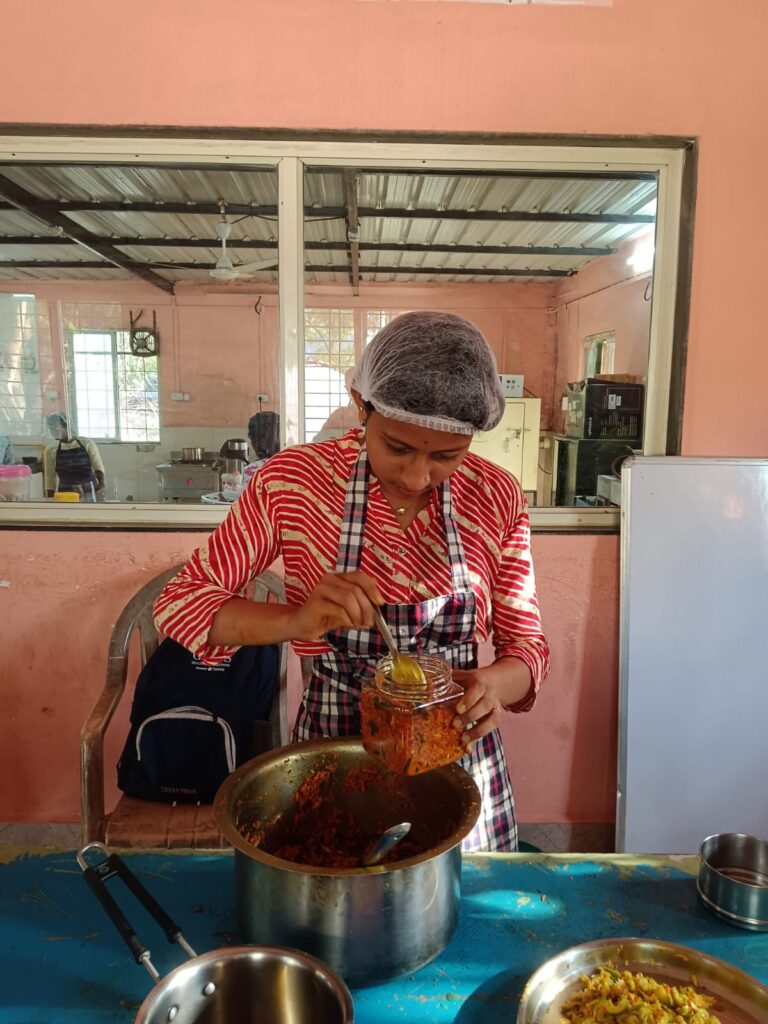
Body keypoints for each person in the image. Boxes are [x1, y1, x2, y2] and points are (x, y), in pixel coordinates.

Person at [154, 311, 549, 851]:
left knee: (458, 896)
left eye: (447, 457)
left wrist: (493, 685)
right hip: (336, 746)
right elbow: (182, 604)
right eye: (398, 447)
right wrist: (296, 620)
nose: (417, 476)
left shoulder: (496, 495)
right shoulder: (294, 482)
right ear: (361, 404)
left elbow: (528, 647)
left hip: (456, 750)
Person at [44, 412, 105, 501]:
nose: (53, 432)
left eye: (56, 428)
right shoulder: (51, 449)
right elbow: (50, 479)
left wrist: (101, 486)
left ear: (66, 426)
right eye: (51, 429)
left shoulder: (87, 443)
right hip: (66, 492)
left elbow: (98, 467)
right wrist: (49, 500)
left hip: (89, 490)